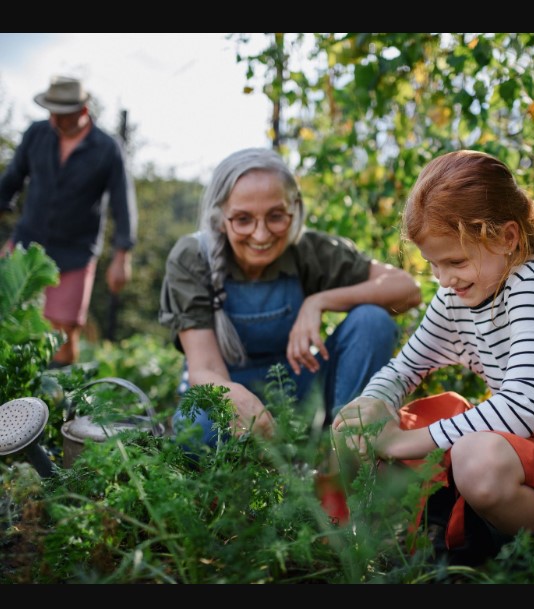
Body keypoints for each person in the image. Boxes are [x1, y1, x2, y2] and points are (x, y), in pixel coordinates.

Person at [332, 150, 534, 560]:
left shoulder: (533, 287)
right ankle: (384, 541)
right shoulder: (458, 293)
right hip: (514, 445)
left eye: (454, 261)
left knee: (477, 458)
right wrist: (374, 405)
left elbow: (518, 411)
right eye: (433, 265)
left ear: (507, 238)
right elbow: (406, 367)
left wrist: (399, 442)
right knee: (355, 419)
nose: (444, 279)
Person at [159, 147, 422, 448]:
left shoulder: (307, 250)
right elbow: (204, 369)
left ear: (294, 209)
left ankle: (345, 447)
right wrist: (240, 402)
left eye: (276, 217)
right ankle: (270, 460)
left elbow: (406, 289)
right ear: (220, 217)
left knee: (372, 320)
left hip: (300, 392)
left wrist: (318, 302)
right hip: (222, 391)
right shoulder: (192, 257)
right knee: (201, 435)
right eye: (243, 220)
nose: (261, 235)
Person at [0, 75, 137, 366]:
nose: (54, 120)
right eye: (51, 112)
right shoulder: (37, 134)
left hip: (74, 252)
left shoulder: (106, 148)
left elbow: (123, 202)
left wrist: (121, 256)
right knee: (6, 314)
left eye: (62, 115)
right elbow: (12, 179)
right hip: (27, 242)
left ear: (83, 112)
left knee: (61, 334)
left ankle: (57, 399)